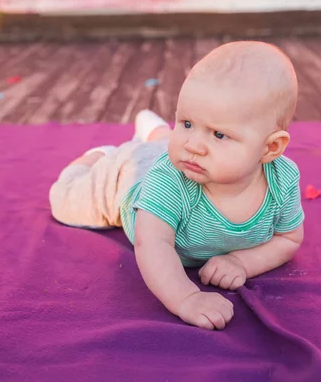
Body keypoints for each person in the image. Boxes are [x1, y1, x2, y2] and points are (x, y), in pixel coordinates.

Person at [49, 41, 304, 330]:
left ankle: (157, 132)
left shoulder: (282, 180)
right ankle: (100, 155)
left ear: (270, 148)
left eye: (219, 134)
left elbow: (288, 239)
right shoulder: (169, 181)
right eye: (185, 123)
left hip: (160, 155)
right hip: (127, 177)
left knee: (162, 146)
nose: (193, 145)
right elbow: (153, 244)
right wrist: (187, 298)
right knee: (65, 201)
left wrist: (242, 262)